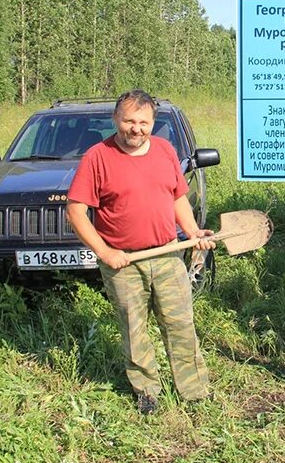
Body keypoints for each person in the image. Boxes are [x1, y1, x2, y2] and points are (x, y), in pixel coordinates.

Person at [66, 89, 215, 414]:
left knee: (180, 325)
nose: (136, 128)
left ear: (153, 122)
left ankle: (195, 391)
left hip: (167, 255)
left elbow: (177, 197)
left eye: (143, 122)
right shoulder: (97, 157)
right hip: (123, 263)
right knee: (134, 330)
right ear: (116, 120)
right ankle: (147, 392)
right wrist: (105, 253)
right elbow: (76, 211)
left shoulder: (164, 150)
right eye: (129, 121)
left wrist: (192, 232)